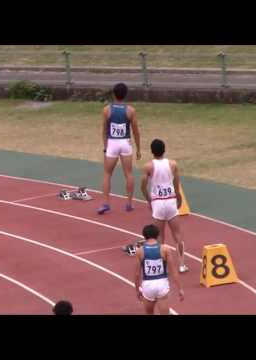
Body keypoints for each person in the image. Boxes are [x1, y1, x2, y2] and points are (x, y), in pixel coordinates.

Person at [140, 139, 189, 273]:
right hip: (170, 201)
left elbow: (143, 186)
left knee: (160, 236)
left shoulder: (148, 166)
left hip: (158, 203)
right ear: (164, 149)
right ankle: (182, 264)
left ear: (151, 151)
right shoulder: (173, 164)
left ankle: (162, 265)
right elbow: (177, 183)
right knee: (177, 235)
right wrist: (178, 196)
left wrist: (149, 200)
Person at [97, 83, 141, 215]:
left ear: (113, 94)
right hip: (125, 143)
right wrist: (138, 149)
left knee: (107, 174)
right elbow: (136, 132)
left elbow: (104, 130)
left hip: (112, 143)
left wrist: (106, 148)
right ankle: (129, 203)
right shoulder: (131, 110)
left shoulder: (106, 110)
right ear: (125, 94)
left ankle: (105, 203)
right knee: (128, 174)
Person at [134, 224, 184, 315]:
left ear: (144, 236)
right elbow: (173, 271)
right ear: (157, 235)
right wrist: (180, 288)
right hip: (162, 284)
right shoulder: (165, 249)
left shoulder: (140, 251)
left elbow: (137, 274)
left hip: (148, 285)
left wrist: (137, 289)